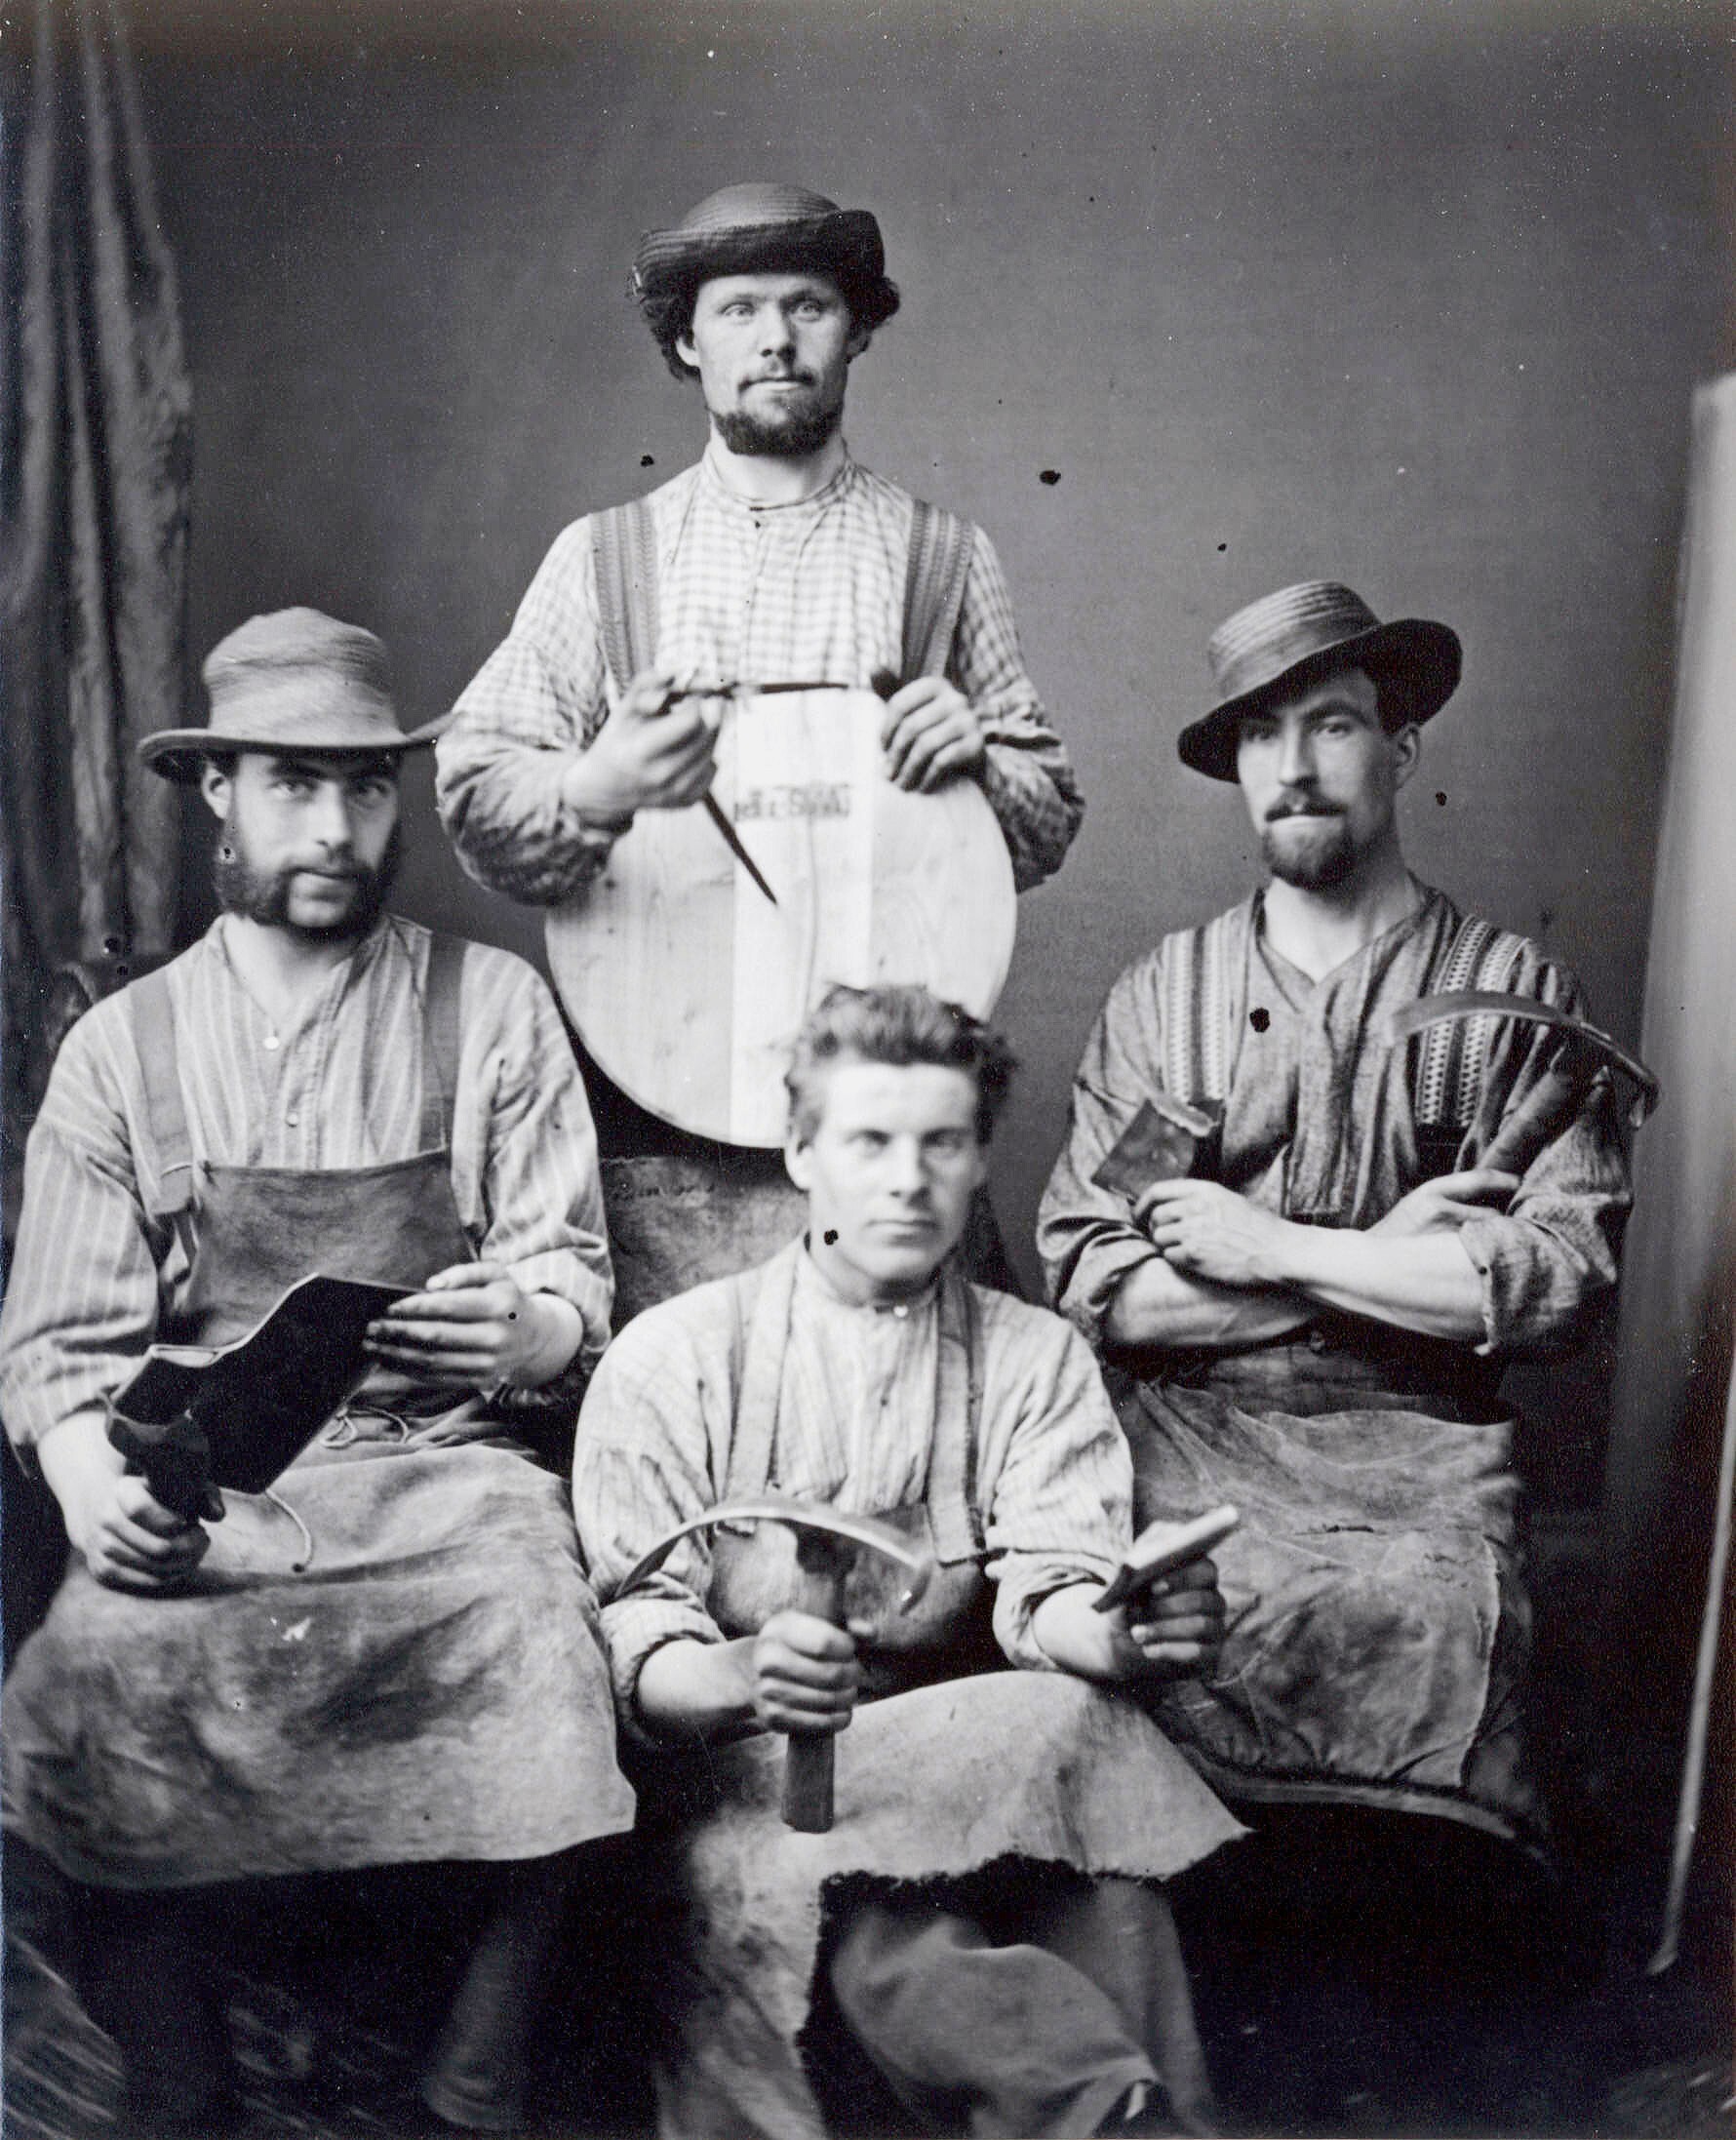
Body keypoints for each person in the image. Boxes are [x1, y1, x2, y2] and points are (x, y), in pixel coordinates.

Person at [0, 609, 630, 2135]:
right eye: (294, 783)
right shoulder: (123, 1049)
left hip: (445, 1478)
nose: (337, 828)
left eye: (365, 787)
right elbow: (55, 1350)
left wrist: (528, 1329)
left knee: (552, 1646)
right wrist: (90, 1481)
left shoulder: (493, 1006)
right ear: (215, 789)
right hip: (209, 1486)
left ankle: (466, 2090)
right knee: (88, 1674)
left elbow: (572, 1272)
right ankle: (182, 2085)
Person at [573, 984, 1244, 2140]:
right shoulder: (673, 1357)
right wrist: (742, 1676)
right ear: (800, 1152)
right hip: (756, 1788)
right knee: (896, 1941)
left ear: (981, 1159)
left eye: (942, 1142)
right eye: (869, 1141)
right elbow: (639, 1640)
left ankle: (1151, 2116)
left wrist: (1119, 1630)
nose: (907, 1177)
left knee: (1110, 1891)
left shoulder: (1032, 1359)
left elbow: (1052, 1594)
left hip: (970, 1761)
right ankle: (1100, 2109)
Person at [1037, 579, 1632, 1853]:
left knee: (1430, 1616)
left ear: (1402, 746)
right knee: (1138, 1634)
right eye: (1261, 734)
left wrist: (1273, 1245)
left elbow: (1550, 1277)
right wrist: (1375, 1258)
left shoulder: (1506, 999)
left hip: (1418, 1444)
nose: (1294, 767)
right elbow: (1101, 1268)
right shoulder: (1177, 1005)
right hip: (1191, 1433)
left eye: (1332, 724)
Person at [434, 182, 1083, 1302]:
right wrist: (596, 784)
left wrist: (979, 759)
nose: (775, 339)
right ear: (687, 340)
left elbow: (1043, 819)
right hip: (658, 1144)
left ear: (860, 329)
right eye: (738, 311)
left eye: (808, 306)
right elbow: (478, 797)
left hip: (887, 1153)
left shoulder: (941, 555)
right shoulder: (604, 560)